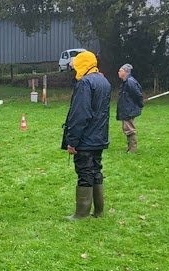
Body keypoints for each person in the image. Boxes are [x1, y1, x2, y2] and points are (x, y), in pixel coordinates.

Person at [60, 51, 112, 220]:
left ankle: (81, 214)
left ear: (83, 64)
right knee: (96, 171)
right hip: (99, 137)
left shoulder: (85, 83)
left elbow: (80, 114)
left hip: (85, 139)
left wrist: (72, 141)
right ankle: (99, 211)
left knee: (84, 172)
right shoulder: (104, 81)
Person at [116, 63, 144, 153]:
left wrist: (140, 104)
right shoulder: (126, 82)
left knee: (129, 129)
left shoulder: (130, 82)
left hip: (129, 110)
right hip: (126, 109)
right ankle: (130, 147)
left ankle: (132, 149)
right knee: (126, 128)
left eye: (120, 71)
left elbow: (137, 94)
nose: (118, 72)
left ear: (125, 72)